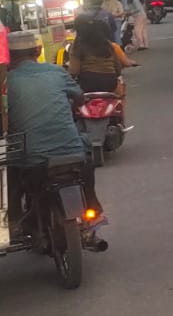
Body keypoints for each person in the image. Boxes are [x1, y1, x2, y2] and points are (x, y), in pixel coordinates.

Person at [6, 30, 105, 221]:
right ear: (38, 50)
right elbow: (80, 97)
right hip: (72, 154)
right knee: (85, 144)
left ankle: (14, 216)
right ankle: (92, 201)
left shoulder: (7, 82)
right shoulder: (57, 72)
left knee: (10, 165)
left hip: (32, 161)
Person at [67, 15, 138, 97]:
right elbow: (117, 67)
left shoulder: (77, 45)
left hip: (87, 85)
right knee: (120, 97)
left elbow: (74, 71)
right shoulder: (108, 44)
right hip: (110, 83)